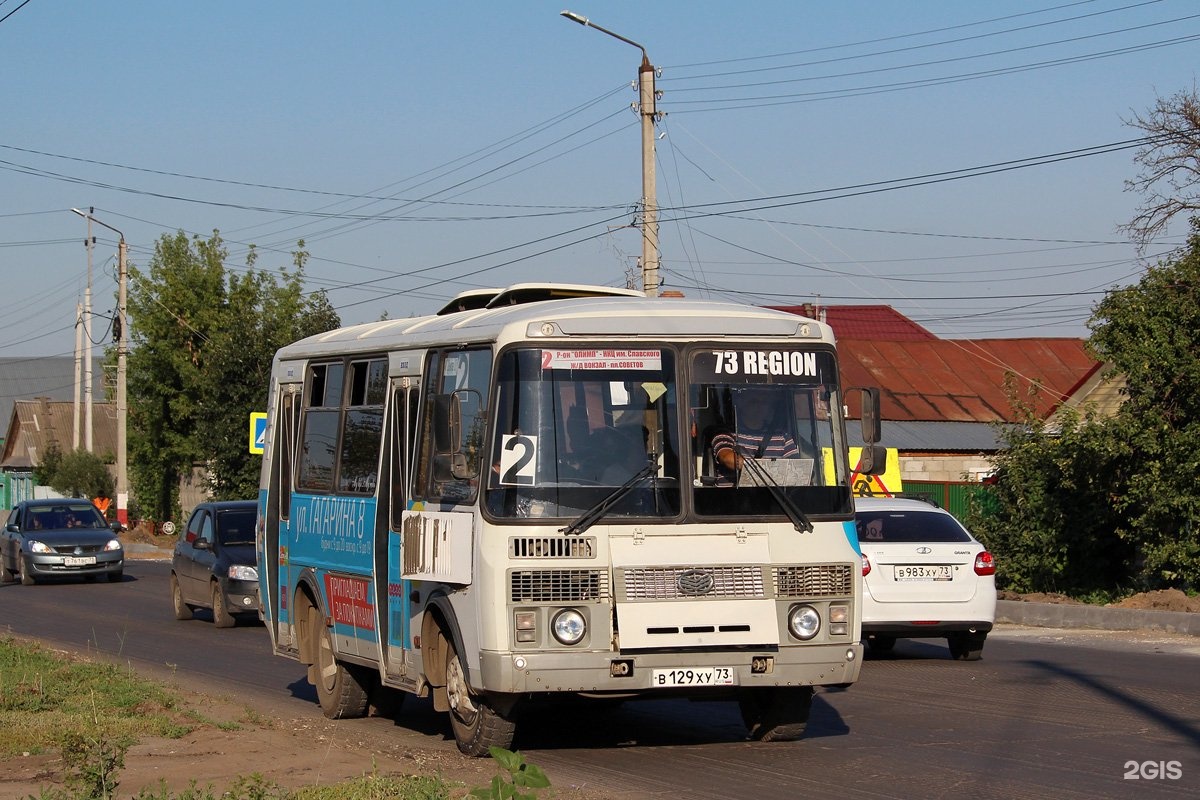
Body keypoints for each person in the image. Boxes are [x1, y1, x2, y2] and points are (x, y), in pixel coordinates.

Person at [711, 387, 799, 486]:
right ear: (740, 404)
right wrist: (767, 469)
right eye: (754, 401)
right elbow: (727, 458)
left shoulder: (782, 436)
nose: (759, 406)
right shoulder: (726, 433)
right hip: (733, 499)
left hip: (773, 499)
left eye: (764, 402)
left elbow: (797, 469)